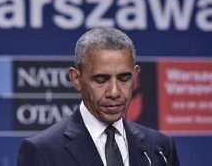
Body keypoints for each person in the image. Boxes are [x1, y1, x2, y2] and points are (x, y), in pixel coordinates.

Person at [17, 27, 180, 166]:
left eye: (124, 78)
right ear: (76, 79)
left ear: (135, 76)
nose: (114, 92)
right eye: (101, 80)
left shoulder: (160, 148)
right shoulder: (43, 150)